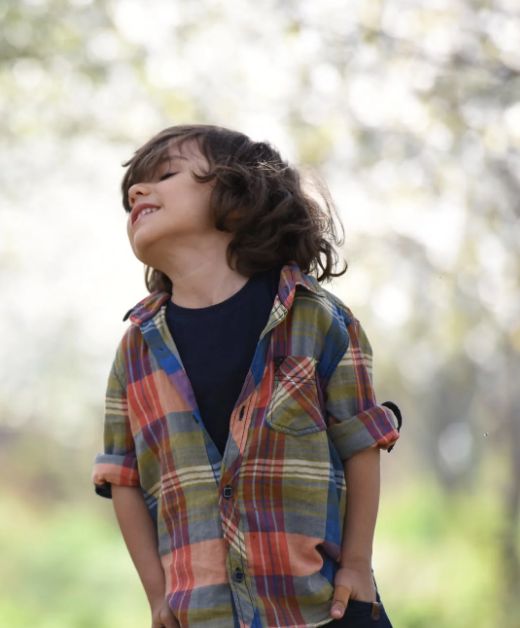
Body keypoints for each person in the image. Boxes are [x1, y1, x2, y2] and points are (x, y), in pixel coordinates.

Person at [91, 125, 403, 628]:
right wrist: (157, 595)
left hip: (321, 612)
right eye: (132, 192)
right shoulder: (134, 353)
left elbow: (361, 439)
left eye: (165, 174)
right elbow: (121, 478)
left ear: (237, 200)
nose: (136, 193)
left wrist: (358, 565)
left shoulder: (316, 319)